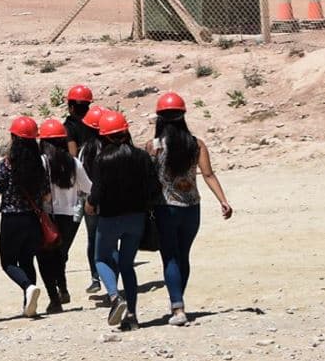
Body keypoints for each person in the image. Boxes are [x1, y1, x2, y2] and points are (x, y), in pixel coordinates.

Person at [150, 92, 231, 326]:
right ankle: (178, 300)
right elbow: (208, 174)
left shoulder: (154, 146)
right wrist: (223, 200)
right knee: (183, 255)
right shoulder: (196, 144)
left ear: (160, 118)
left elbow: (148, 177)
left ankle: (178, 308)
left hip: (166, 208)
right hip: (192, 208)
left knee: (170, 257)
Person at [88, 110, 158, 331]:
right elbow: (154, 187)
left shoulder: (102, 160)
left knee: (101, 259)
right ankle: (132, 316)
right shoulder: (142, 157)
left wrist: (90, 204)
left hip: (110, 218)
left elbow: (97, 191)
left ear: (104, 136)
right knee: (127, 266)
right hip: (136, 218)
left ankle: (114, 297)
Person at [0, 115, 52, 319]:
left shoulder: (5, 165)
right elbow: (47, 195)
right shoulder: (39, 165)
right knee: (27, 260)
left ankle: (27, 286)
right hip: (33, 219)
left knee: (8, 262)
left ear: (13, 138)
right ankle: (29, 305)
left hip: (11, 220)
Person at [38, 118, 90, 312]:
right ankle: (63, 289)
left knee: (45, 257)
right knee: (60, 254)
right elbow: (88, 188)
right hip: (70, 216)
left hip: (48, 215)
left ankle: (55, 298)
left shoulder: (42, 162)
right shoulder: (74, 163)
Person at [79, 104, 110, 301]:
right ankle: (112, 280)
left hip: (90, 200)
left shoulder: (86, 150)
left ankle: (95, 277)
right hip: (111, 200)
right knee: (111, 241)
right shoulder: (112, 148)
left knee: (93, 240)